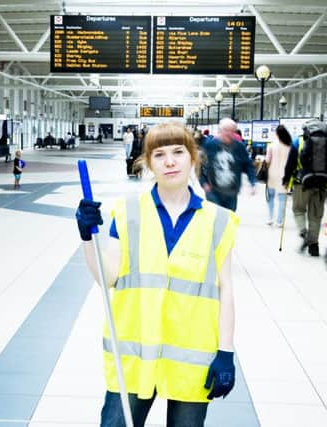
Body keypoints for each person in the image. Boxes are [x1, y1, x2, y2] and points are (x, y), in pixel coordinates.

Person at [76, 122, 239, 427]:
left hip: (190, 358)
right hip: (136, 355)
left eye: (178, 151)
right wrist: (88, 238)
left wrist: (226, 351)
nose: (170, 161)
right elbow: (107, 277)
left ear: (193, 158)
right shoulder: (127, 213)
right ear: (148, 163)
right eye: (159, 154)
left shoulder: (218, 221)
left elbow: (225, 289)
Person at [283, 119, 327, 256]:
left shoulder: (299, 141)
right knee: (316, 216)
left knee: (298, 210)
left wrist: (286, 180)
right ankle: (314, 246)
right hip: (321, 183)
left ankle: (304, 234)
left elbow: (290, 163)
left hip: (301, 183)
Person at [200, 118, 256, 211]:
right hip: (213, 191)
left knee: (229, 220)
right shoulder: (210, 145)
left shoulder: (239, 147)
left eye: (231, 131)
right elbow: (200, 165)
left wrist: (252, 182)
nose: (228, 133)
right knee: (216, 218)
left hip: (231, 192)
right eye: (225, 130)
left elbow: (248, 165)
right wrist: (204, 183)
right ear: (220, 131)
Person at [265, 125, 292, 226]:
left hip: (272, 174)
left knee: (270, 197)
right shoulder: (289, 146)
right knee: (282, 198)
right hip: (284, 175)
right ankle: (279, 221)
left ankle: (270, 218)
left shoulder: (272, 145)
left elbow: (267, 161)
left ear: (277, 134)